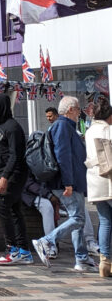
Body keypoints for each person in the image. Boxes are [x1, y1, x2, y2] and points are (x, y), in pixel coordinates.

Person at [32, 95, 96, 272]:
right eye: (77, 109)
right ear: (70, 110)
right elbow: (63, 156)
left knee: (78, 219)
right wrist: (68, 182)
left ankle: (81, 258)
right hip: (66, 183)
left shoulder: (67, 127)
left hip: (72, 182)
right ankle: (47, 240)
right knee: (77, 218)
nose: (79, 112)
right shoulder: (62, 126)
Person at [0, 95, 33, 265]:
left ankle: (12, 249)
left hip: (15, 174)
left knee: (1, 206)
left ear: (0, 106)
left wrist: (5, 177)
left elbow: (16, 155)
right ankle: (23, 250)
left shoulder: (13, 127)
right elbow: (1, 151)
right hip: (3, 173)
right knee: (14, 210)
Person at [83, 97, 112, 278]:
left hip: (95, 179)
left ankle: (104, 261)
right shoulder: (108, 130)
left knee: (105, 221)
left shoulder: (90, 130)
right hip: (109, 178)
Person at [21, 171, 60, 258]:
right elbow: (29, 183)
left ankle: (89, 241)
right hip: (31, 193)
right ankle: (49, 244)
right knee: (47, 207)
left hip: (53, 189)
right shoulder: (29, 158)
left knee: (79, 207)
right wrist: (48, 195)